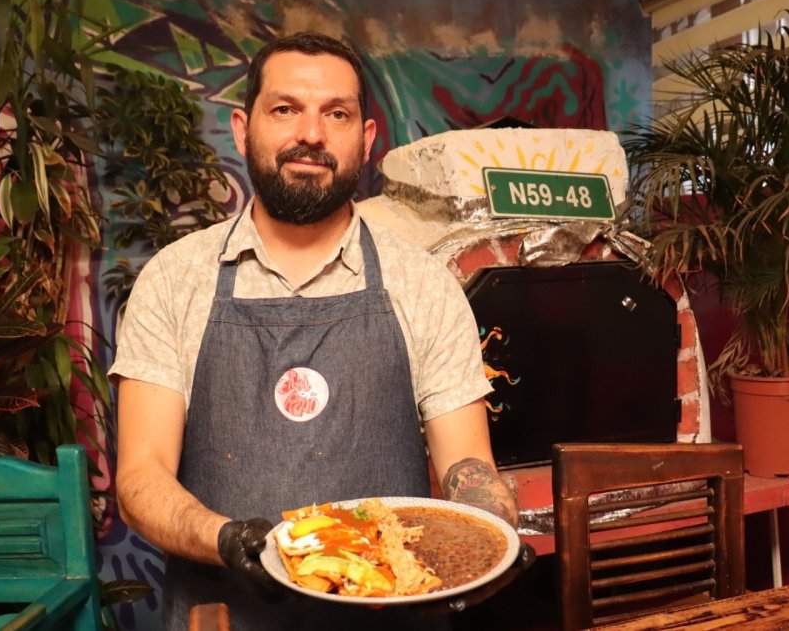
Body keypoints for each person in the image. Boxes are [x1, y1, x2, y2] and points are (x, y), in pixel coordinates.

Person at [110, 31, 521, 631]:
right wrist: (228, 539)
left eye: (337, 113)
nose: (311, 134)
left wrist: (491, 535)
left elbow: (466, 461)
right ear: (242, 128)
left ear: (367, 138)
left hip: (392, 618)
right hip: (225, 613)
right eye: (285, 109)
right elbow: (141, 476)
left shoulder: (424, 284)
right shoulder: (174, 280)